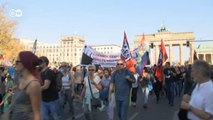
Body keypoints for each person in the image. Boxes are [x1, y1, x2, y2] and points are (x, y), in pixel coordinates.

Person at [11, 51, 41, 120]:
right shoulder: (20, 79)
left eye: (17, 61)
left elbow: (37, 114)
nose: (15, 64)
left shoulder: (33, 85)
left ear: (25, 63)